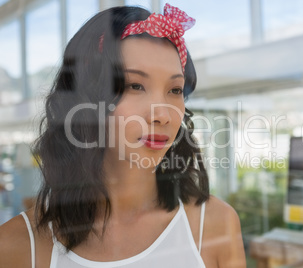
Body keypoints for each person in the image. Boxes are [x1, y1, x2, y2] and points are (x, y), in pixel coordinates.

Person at [0, 3, 246, 268]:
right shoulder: (16, 245)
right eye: (135, 85)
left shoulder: (216, 225)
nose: (162, 115)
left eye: (175, 90)